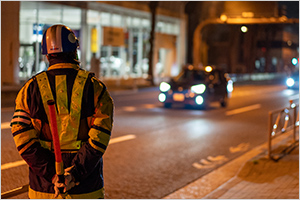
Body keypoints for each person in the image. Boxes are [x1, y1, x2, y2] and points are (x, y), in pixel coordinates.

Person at [11, 24, 114, 199]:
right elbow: (99, 138)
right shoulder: (96, 89)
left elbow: (22, 138)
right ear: (75, 50)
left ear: (47, 54)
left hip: (43, 191)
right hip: (86, 190)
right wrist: (73, 174)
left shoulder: (29, 89)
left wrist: (52, 175)